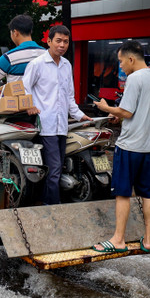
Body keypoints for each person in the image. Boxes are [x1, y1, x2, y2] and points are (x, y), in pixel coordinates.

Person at [92, 40, 150, 253]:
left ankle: (118, 240)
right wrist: (121, 116)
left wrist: (107, 108)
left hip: (130, 145)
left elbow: (127, 112)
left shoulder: (134, 78)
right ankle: (148, 240)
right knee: (148, 195)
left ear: (131, 59)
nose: (121, 66)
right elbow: (141, 111)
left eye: (122, 61)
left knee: (122, 194)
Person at [23, 25, 91, 205]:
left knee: (59, 168)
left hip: (62, 126)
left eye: (66, 42)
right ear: (49, 41)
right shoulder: (37, 64)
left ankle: (49, 202)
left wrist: (80, 116)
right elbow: (24, 87)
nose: (62, 45)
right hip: (45, 125)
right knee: (54, 169)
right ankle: (52, 206)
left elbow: (69, 96)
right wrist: (30, 105)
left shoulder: (67, 65)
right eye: (58, 41)